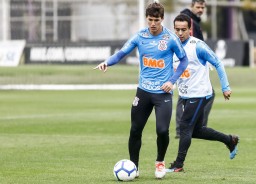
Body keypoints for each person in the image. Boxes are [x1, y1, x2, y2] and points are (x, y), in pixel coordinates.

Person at [94, 2, 188, 179]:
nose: (153, 23)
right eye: (150, 20)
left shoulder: (170, 39)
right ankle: (133, 167)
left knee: (162, 130)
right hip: (143, 92)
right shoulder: (140, 36)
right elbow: (121, 53)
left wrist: (172, 81)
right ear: (147, 19)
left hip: (163, 93)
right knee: (135, 130)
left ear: (162, 19)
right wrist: (107, 62)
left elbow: (183, 61)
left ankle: (159, 163)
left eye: (156, 20)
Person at [167, 14, 239, 172]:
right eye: (177, 29)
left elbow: (218, 63)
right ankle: (230, 140)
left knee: (185, 126)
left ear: (190, 29)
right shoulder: (172, 46)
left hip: (200, 93)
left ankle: (178, 165)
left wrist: (225, 87)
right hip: (186, 95)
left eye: (183, 30)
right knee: (195, 131)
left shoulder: (197, 46)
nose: (180, 33)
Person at [175, 0, 214, 138]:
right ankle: (193, 128)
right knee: (189, 94)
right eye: (198, 7)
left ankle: (188, 127)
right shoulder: (189, 20)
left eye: (202, 7)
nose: (200, 9)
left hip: (191, 62)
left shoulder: (194, 20)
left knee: (184, 94)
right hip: (190, 62)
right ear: (191, 7)